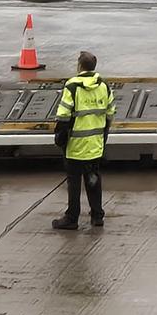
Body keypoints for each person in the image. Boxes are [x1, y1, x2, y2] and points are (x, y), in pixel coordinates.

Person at [52, 51, 113, 231]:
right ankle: (97, 216)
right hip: (95, 143)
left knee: (74, 181)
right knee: (93, 178)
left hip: (75, 145)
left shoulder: (72, 87)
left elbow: (63, 115)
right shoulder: (104, 86)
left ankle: (72, 218)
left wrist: (60, 138)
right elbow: (110, 114)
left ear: (79, 66)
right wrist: (103, 137)